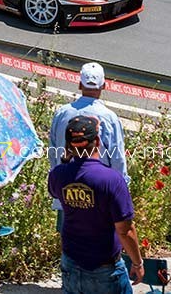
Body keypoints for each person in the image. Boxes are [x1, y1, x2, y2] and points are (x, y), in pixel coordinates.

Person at [48, 116, 145, 294]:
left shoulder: (58, 174)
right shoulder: (111, 180)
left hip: (71, 263)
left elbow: (54, 191)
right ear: (98, 141)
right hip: (105, 269)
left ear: (69, 145)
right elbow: (125, 230)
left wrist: (65, 159)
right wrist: (138, 263)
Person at [50, 63, 128, 226]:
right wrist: (120, 189)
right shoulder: (109, 118)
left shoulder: (62, 113)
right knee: (99, 243)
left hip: (67, 191)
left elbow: (53, 152)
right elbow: (117, 158)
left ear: (79, 85)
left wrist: (57, 180)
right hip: (99, 193)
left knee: (69, 242)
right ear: (104, 86)